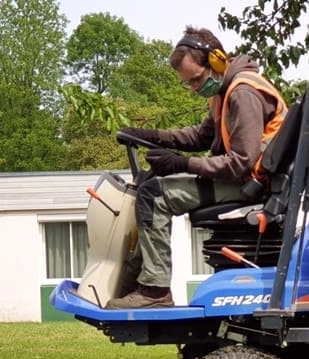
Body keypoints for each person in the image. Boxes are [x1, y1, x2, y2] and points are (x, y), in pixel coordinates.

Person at [106, 26, 287, 309]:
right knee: (152, 182)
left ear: (216, 61)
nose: (194, 88)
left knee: (154, 195)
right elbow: (201, 137)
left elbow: (241, 162)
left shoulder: (243, 94)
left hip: (252, 184)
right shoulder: (224, 91)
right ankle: (137, 281)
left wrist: (181, 163)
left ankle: (154, 292)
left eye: (196, 80)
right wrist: (153, 136)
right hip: (245, 180)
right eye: (188, 83)